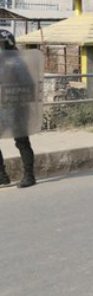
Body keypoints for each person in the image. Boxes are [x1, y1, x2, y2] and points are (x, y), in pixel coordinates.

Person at [0, 30, 38, 188]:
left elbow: (29, 86)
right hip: (3, 108)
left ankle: (29, 175)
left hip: (17, 108)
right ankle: (2, 176)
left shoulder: (19, 64)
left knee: (22, 142)